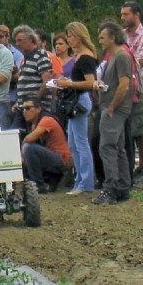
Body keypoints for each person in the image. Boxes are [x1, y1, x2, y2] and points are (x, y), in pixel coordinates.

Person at [92, 21, 134, 205]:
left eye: (103, 37)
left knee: (107, 147)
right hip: (111, 106)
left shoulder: (122, 56)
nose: (100, 40)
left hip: (114, 109)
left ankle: (110, 189)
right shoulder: (113, 57)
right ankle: (123, 187)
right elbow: (116, 83)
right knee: (117, 147)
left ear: (113, 37)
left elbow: (124, 84)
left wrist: (112, 107)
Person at [55, 21, 99, 195]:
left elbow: (90, 83)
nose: (69, 40)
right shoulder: (79, 56)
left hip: (80, 100)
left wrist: (69, 83)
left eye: (71, 37)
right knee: (73, 142)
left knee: (81, 142)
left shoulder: (86, 58)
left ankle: (86, 182)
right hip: (75, 99)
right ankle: (80, 179)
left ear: (79, 37)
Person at [121, 1, 143, 186]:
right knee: (127, 129)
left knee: (140, 129)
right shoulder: (122, 35)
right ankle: (129, 167)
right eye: (122, 15)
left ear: (136, 15)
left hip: (140, 87)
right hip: (125, 88)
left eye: (126, 14)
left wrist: (122, 58)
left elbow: (137, 59)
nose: (123, 18)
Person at [21, 98, 72, 192]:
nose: (24, 111)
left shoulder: (46, 120)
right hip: (53, 157)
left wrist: (21, 155)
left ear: (38, 109)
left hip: (62, 159)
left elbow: (29, 139)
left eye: (28, 108)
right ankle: (43, 182)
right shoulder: (34, 124)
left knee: (28, 148)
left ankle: (38, 185)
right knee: (27, 151)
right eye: (23, 109)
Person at [13, 25, 54, 128]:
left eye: (20, 40)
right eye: (16, 41)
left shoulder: (41, 56)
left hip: (35, 108)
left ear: (31, 39)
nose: (18, 44)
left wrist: (35, 102)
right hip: (24, 107)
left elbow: (46, 82)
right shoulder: (27, 58)